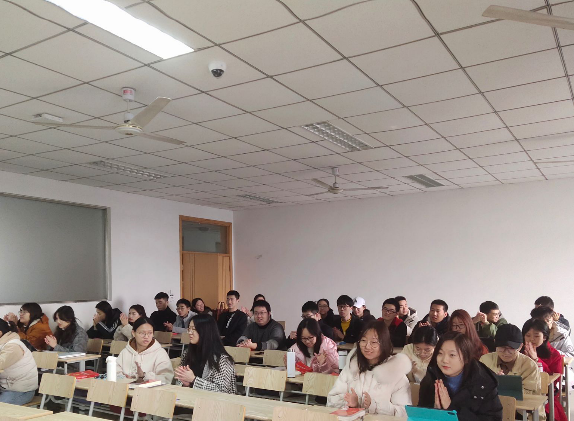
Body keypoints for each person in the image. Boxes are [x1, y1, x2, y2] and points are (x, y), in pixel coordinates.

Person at [327, 320, 412, 415]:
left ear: (384, 344)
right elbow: (332, 399)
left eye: (374, 342)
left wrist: (375, 406)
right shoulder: (352, 367)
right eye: (363, 340)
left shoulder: (396, 373)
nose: (367, 346)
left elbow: (404, 413)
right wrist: (351, 404)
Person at [418, 332, 503, 421]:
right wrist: (435, 413)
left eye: (452, 355)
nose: (444, 360)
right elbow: (420, 415)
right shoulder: (431, 377)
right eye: (440, 353)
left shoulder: (483, 382)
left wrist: (451, 409)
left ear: (466, 358)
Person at [175, 314, 236, 393]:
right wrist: (186, 384)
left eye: (194, 329)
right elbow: (179, 381)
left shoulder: (222, 359)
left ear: (205, 331)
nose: (190, 332)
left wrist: (194, 380)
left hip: (214, 400)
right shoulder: (187, 353)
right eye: (189, 329)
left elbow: (222, 390)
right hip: (191, 397)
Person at [522, 318, 567, 421]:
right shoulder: (519, 352)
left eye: (536, 336)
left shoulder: (554, 354)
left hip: (545, 395)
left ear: (544, 337)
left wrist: (536, 360)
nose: (531, 339)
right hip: (522, 393)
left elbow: (554, 380)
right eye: (528, 335)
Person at [479, 324, 541, 395]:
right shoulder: (485, 361)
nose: (506, 352)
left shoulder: (530, 366)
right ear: (495, 342)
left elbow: (532, 395)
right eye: (502, 347)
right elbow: (477, 386)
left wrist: (505, 386)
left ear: (520, 347)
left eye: (511, 348)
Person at [116, 317, 173, 385]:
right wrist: (125, 378)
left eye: (150, 333)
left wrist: (144, 376)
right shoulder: (125, 352)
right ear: (133, 333)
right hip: (125, 388)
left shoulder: (160, 353)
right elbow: (116, 372)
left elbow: (166, 379)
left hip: (150, 391)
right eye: (142, 333)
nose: (146, 336)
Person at [0, 319, 38, 404]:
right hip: (6, 387)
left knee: (1, 408)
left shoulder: (13, 346)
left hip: (20, 391)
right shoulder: (3, 344)